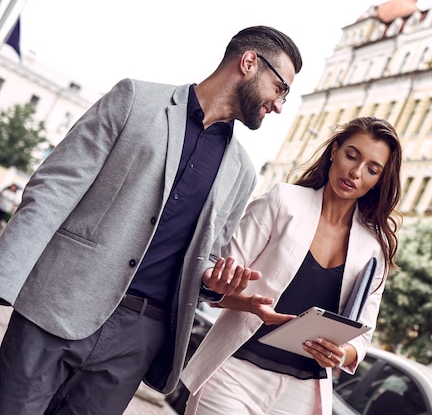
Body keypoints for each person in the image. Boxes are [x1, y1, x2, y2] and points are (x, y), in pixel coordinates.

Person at [0, 25, 302, 415]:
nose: (279, 104)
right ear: (248, 63)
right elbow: (53, 189)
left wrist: (215, 280)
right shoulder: (135, 99)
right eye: (280, 88)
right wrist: (5, 278)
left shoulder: (242, 171)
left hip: (137, 338)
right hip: (59, 303)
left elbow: (209, 256)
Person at [181, 116, 403, 415]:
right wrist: (247, 303)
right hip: (236, 371)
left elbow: (361, 335)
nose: (356, 172)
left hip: (301, 393)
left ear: (378, 181)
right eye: (351, 156)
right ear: (334, 150)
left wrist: (340, 353)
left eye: (372, 170)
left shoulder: (373, 247)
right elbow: (214, 283)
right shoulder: (283, 201)